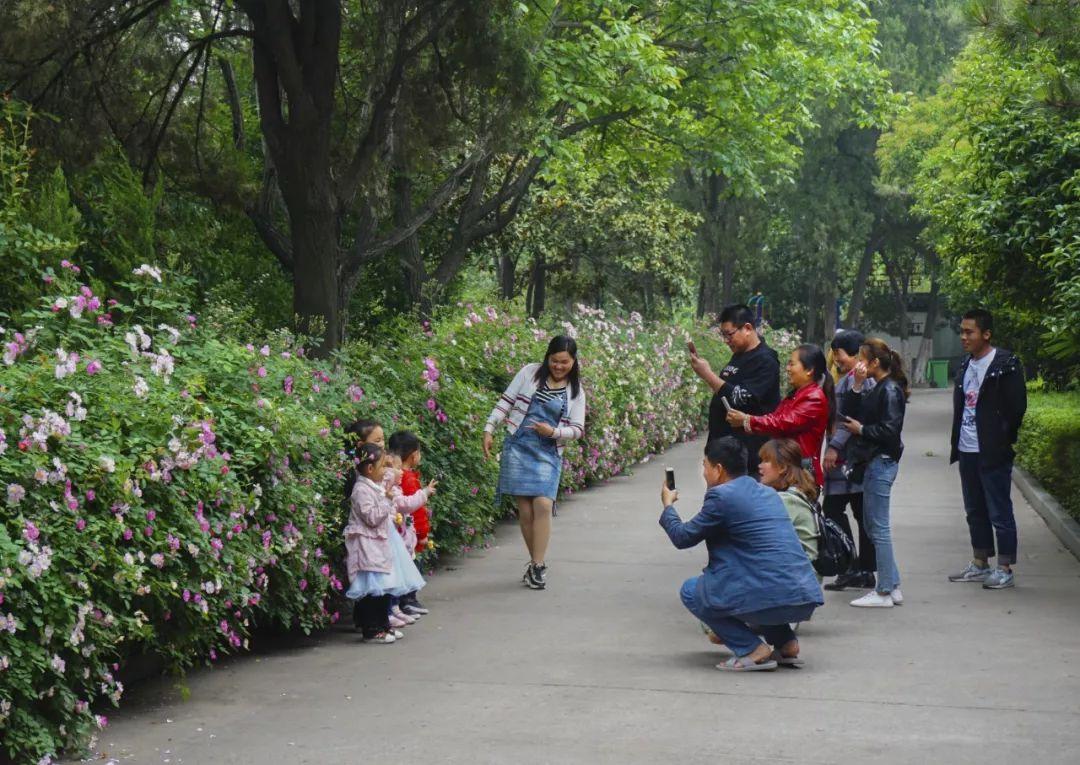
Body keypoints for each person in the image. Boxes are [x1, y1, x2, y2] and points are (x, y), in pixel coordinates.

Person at [659, 437, 823, 672]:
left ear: (718, 469)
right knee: (756, 582)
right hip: (800, 596)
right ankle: (786, 643)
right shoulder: (767, 492)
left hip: (769, 595)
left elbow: (683, 537)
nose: (703, 473)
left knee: (692, 590)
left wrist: (668, 507)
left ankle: (751, 648)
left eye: (705, 466)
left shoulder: (721, 497)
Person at [482, 336, 587, 590]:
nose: (559, 366)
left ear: (573, 362)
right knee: (526, 510)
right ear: (547, 357)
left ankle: (537, 565)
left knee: (542, 503)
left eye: (564, 362)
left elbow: (577, 429)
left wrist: (553, 432)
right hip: (518, 445)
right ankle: (535, 563)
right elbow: (506, 401)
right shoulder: (529, 373)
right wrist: (489, 428)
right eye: (554, 360)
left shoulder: (576, 392)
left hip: (548, 451)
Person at [947, 309, 1027, 590]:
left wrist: (1002, 437)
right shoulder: (965, 365)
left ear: (986, 334)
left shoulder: (1006, 364)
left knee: (999, 510)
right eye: (962, 331)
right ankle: (980, 562)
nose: (963, 337)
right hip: (967, 448)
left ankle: (1004, 567)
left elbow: (1017, 407)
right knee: (974, 509)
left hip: (993, 450)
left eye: (969, 332)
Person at [841, 339, 909, 608]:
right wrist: (856, 385)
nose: (858, 363)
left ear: (875, 362)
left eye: (862, 358)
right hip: (873, 461)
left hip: (881, 461)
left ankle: (883, 591)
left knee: (877, 527)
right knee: (872, 525)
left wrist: (862, 431)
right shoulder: (877, 387)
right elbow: (848, 412)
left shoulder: (890, 390)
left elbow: (890, 430)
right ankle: (892, 585)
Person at [688, 304, 781, 476]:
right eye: (723, 335)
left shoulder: (766, 360)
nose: (726, 340)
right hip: (724, 452)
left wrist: (708, 375)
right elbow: (726, 392)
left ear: (747, 328)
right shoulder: (739, 356)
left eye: (729, 334)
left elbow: (743, 398)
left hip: (747, 457)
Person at [725, 344, 835, 485]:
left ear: (809, 370)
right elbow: (776, 420)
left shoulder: (814, 397)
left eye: (792, 364)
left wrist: (748, 420)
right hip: (788, 470)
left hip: (800, 476)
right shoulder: (797, 394)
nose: (788, 369)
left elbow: (783, 423)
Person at [822, 329, 876, 591]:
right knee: (855, 513)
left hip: (849, 459)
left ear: (855, 354)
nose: (836, 359)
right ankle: (859, 568)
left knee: (835, 511)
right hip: (848, 459)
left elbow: (848, 420)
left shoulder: (859, 381)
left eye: (840, 354)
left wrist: (832, 448)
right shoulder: (845, 378)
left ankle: (855, 567)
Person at [344, 444, 407, 644]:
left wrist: (389, 465)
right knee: (372, 591)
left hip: (377, 546)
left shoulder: (374, 483)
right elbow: (371, 517)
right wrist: (387, 501)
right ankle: (371, 629)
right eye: (382, 467)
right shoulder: (361, 490)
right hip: (366, 547)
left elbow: (390, 475)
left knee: (383, 587)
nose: (385, 471)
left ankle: (382, 624)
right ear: (370, 470)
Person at [389, 430, 436, 615]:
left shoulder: (397, 476)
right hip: (407, 532)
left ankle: (404, 601)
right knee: (411, 565)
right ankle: (408, 600)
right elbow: (416, 510)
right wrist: (423, 535)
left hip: (401, 530)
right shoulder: (407, 478)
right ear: (414, 455)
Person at [758, 439, 819, 567]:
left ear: (782, 467)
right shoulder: (797, 492)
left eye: (766, 461)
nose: (760, 466)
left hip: (798, 578)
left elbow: (761, 537)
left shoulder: (787, 500)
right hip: (801, 574)